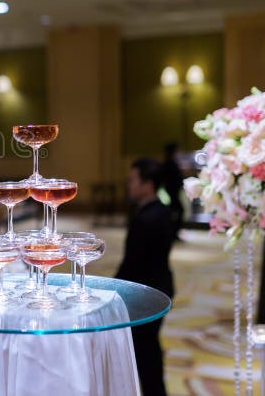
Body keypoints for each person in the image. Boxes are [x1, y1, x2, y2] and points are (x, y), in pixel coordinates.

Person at [116, 158, 175, 396]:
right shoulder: (160, 209)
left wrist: (113, 289)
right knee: (147, 349)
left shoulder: (147, 218)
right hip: (159, 285)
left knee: (144, 351)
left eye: (133, 180)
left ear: (147, 184)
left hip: (147, 293)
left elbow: (134, 263)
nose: (129, 185)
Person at [159, 142, 184, 240]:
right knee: (176, 212)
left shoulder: (170, 162)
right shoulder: (169, 163)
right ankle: (172, 233)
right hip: (171, 193)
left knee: (175, 212)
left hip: (172, 192)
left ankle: (173, 233)